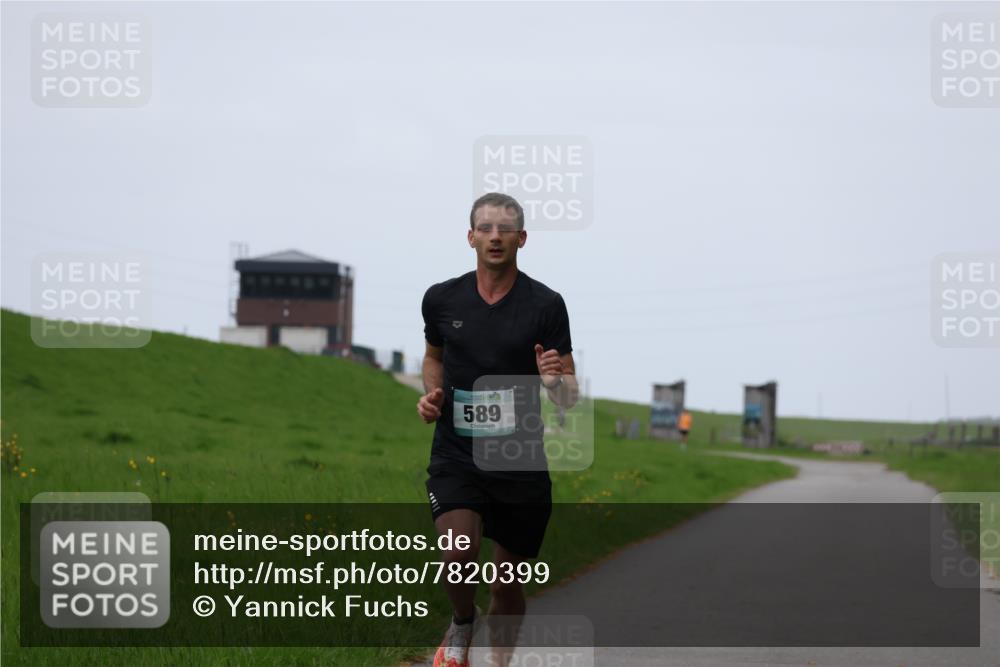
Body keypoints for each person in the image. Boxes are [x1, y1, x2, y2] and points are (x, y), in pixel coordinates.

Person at [417, 192, 579, 667]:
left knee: (507, 583)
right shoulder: (441, 299)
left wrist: (553, 380)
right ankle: (463, 622)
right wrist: (433, 394)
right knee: (458, 551)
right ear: (470, 237)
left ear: (521, 239)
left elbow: (569, 394)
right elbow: (433, 357)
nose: (494, 236)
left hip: (519, 460)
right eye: (484, 228)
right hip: (456, 451)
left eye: (505, 229)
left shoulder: (546, 305)